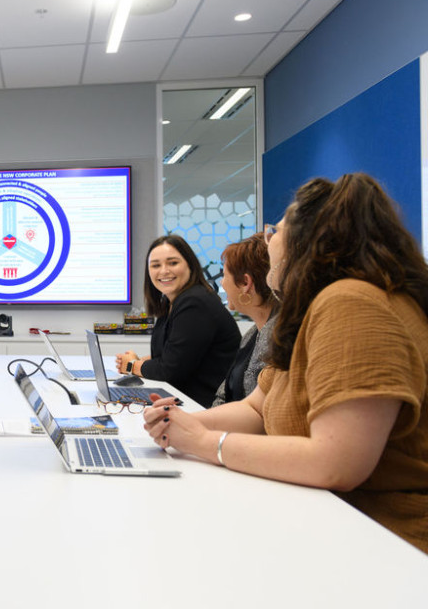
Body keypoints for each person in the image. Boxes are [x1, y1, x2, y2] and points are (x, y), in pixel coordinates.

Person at [144, 173, 428, 554]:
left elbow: (337, 462)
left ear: (309, 241)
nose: (269, 242)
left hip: (386, 542)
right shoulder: (314, 309)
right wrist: (179, 422)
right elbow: (257, 407)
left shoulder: (351, 303)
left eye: (274, 232)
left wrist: (206, 442)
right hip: (329, 522)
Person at [115, 234, 240, 408]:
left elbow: (169, 370)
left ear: (190, 265)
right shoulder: (171, 302)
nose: (164, 271)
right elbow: (170, 355)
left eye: (173, 263)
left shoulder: (195, 303)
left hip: (203, 408)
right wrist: (139, 362)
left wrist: (132, 366)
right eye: (156, 265)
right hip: (183, 401)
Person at [214, 232, 278, 406]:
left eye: (224, 275)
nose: (222, 283)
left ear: (245, 283)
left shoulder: (279, 339)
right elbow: (224, 395)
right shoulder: (252, 334)